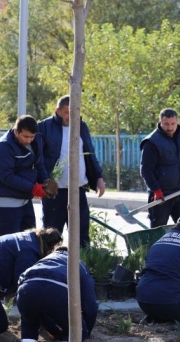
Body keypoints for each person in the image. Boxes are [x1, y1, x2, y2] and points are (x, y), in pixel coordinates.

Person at [0, 228, 63, 342]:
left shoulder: (29, 239)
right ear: (49, 249)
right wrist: (52, 328)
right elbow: (27, 292)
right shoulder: (29, 254)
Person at [38, 95, 106, 248]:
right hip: (54, 192)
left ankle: (81, 268)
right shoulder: (45, 127)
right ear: (58, 111)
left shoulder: (82, 127)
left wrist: (98, 178)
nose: (71, 116)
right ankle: (49, 268)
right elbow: (38, 158)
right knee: (51, 237)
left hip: (78, 190)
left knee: (82, 236)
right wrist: (41, 182)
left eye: (74, 112)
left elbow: (90, 153)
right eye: (67, 112)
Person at [16, 246, 97, 342]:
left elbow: (41, 304)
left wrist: (53, 330)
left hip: (27, 289)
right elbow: (90, 305)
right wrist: (86, 330)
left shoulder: (43, 260)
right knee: (76, 332)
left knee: (29, 323)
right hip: (58, 290)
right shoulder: (79, 263)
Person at [0, 115, 53, 236]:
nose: (29, 140)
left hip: (25, 200)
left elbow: (39, 164)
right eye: (26, 136)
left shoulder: (36, 140)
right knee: (9, 243)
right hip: (7, 201)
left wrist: (45, 182)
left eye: (32, 137)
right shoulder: (3, 146)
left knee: (30, 240)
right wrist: (33, 188)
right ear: (16, 131)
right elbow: (7, 177)